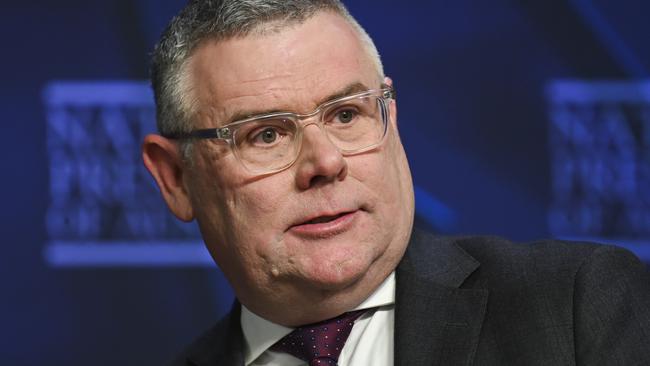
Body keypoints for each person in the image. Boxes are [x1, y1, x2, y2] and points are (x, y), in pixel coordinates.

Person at [142, 1, 650, 365]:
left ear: (391, 117)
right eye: (266, 134)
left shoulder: (577, 309)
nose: (325, 161)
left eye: (346, 115)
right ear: (177, 178)